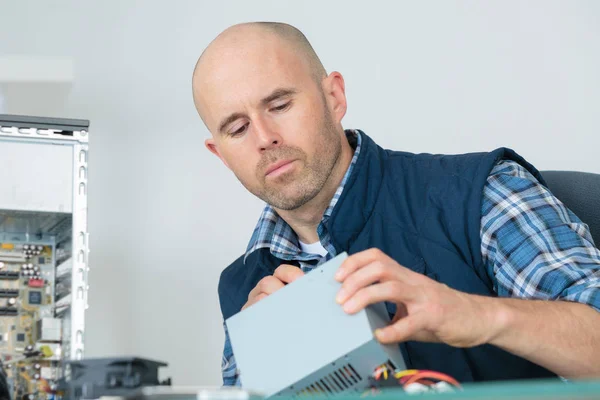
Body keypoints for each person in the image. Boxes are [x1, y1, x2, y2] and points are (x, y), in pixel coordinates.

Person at [191, 22, 600, 386]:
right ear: (220, 154)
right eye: (238, 128)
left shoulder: (481, 195)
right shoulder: (241, 290)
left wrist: (473, 315)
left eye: (279, 105)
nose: (264, 137)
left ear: (334, 96)